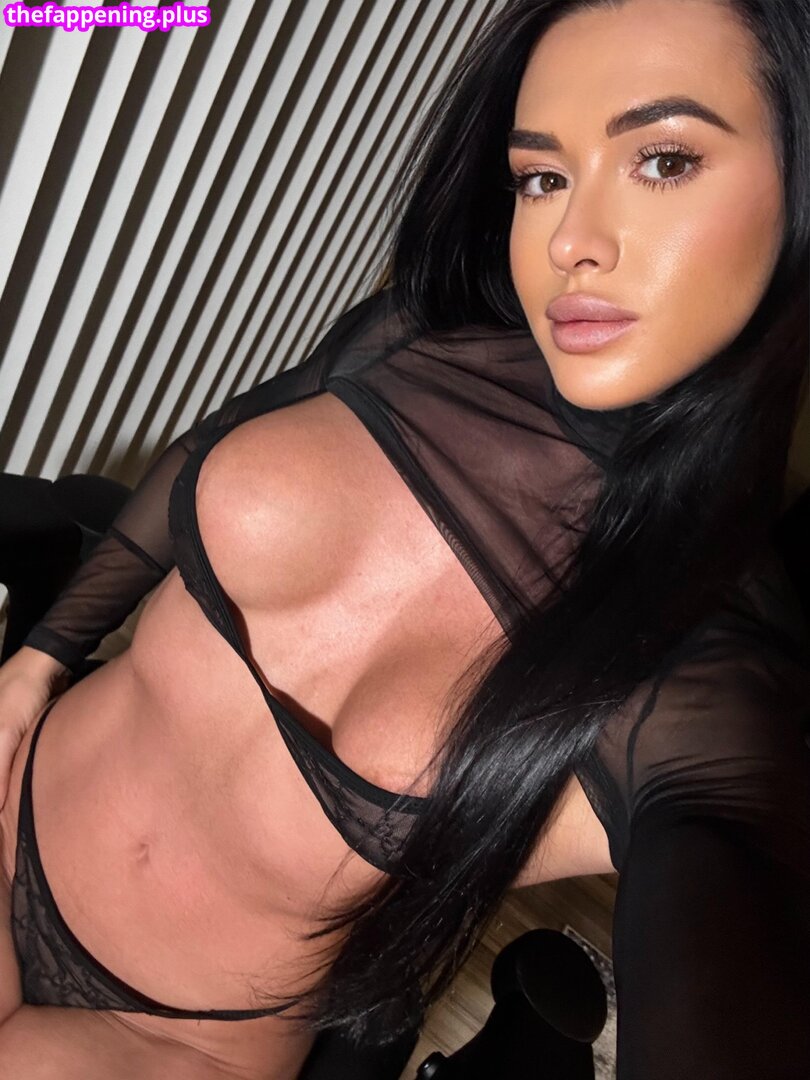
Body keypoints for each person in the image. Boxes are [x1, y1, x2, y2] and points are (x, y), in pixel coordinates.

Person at [0, 0, 808, 1076]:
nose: (570, 240)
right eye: (542, 177)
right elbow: (204, 449)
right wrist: (39, 660)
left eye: (663, 161)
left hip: (169, 1036)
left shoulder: (711, 684)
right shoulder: (416, 342)